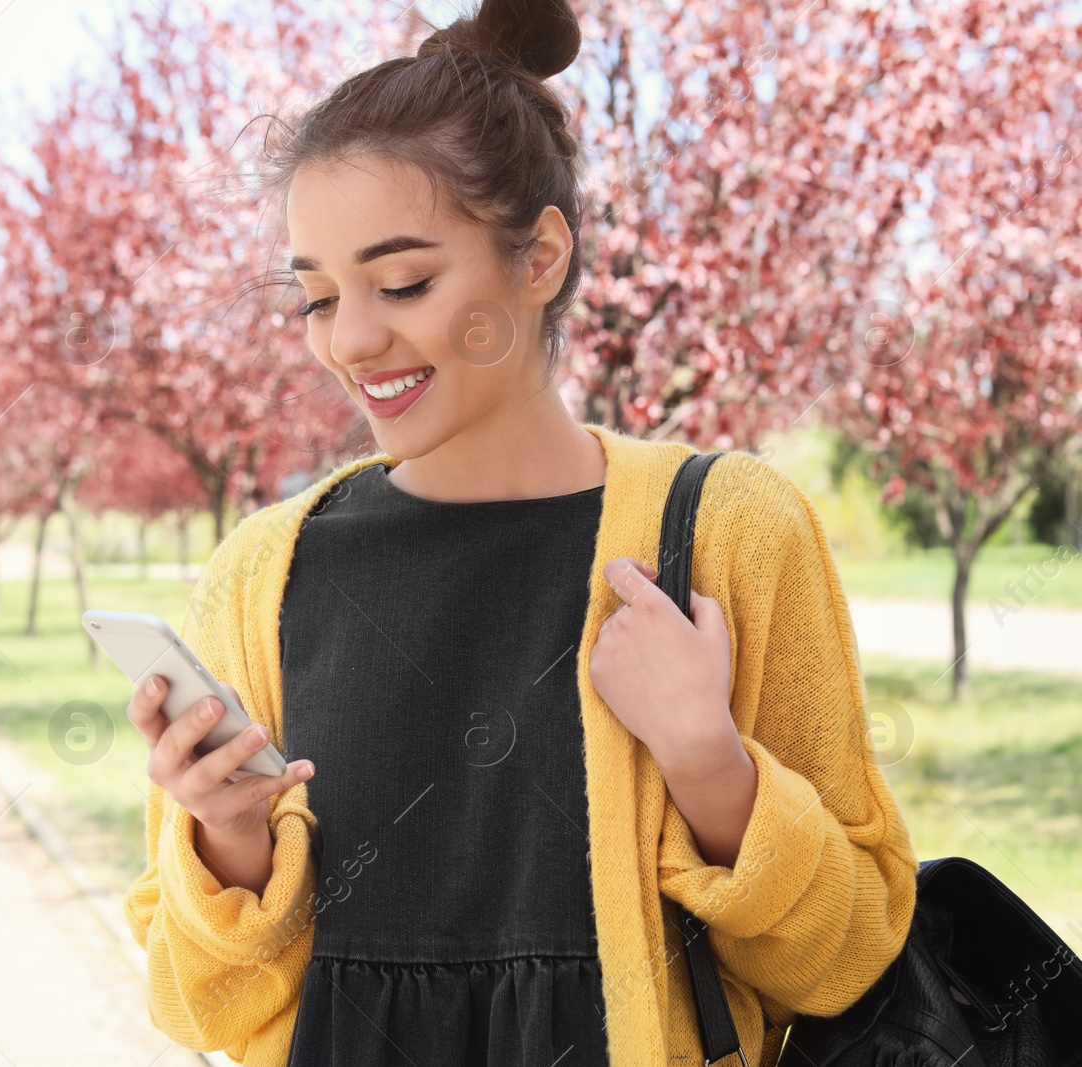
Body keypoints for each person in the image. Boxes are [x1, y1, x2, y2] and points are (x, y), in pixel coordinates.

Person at [123, 1, 918, 1064]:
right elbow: (199, 1009)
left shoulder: (725, 529)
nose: (351, 339)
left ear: (539, 256)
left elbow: (849, 954)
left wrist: (707, 763)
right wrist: (227, 836)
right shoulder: (265, 572)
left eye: (402, 281)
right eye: (315, 297)